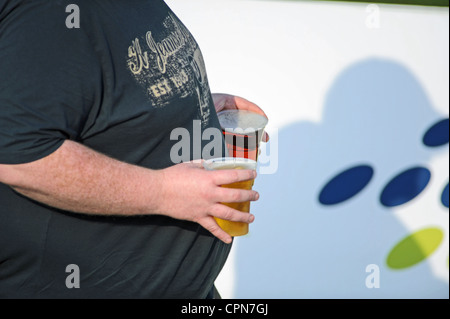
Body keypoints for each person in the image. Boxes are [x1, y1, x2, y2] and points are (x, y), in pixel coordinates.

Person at [0, 0, 268, 299]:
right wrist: (162, 191)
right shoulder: (51, 13)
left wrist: (190, 102)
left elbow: (100, 92)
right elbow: (18, 154)